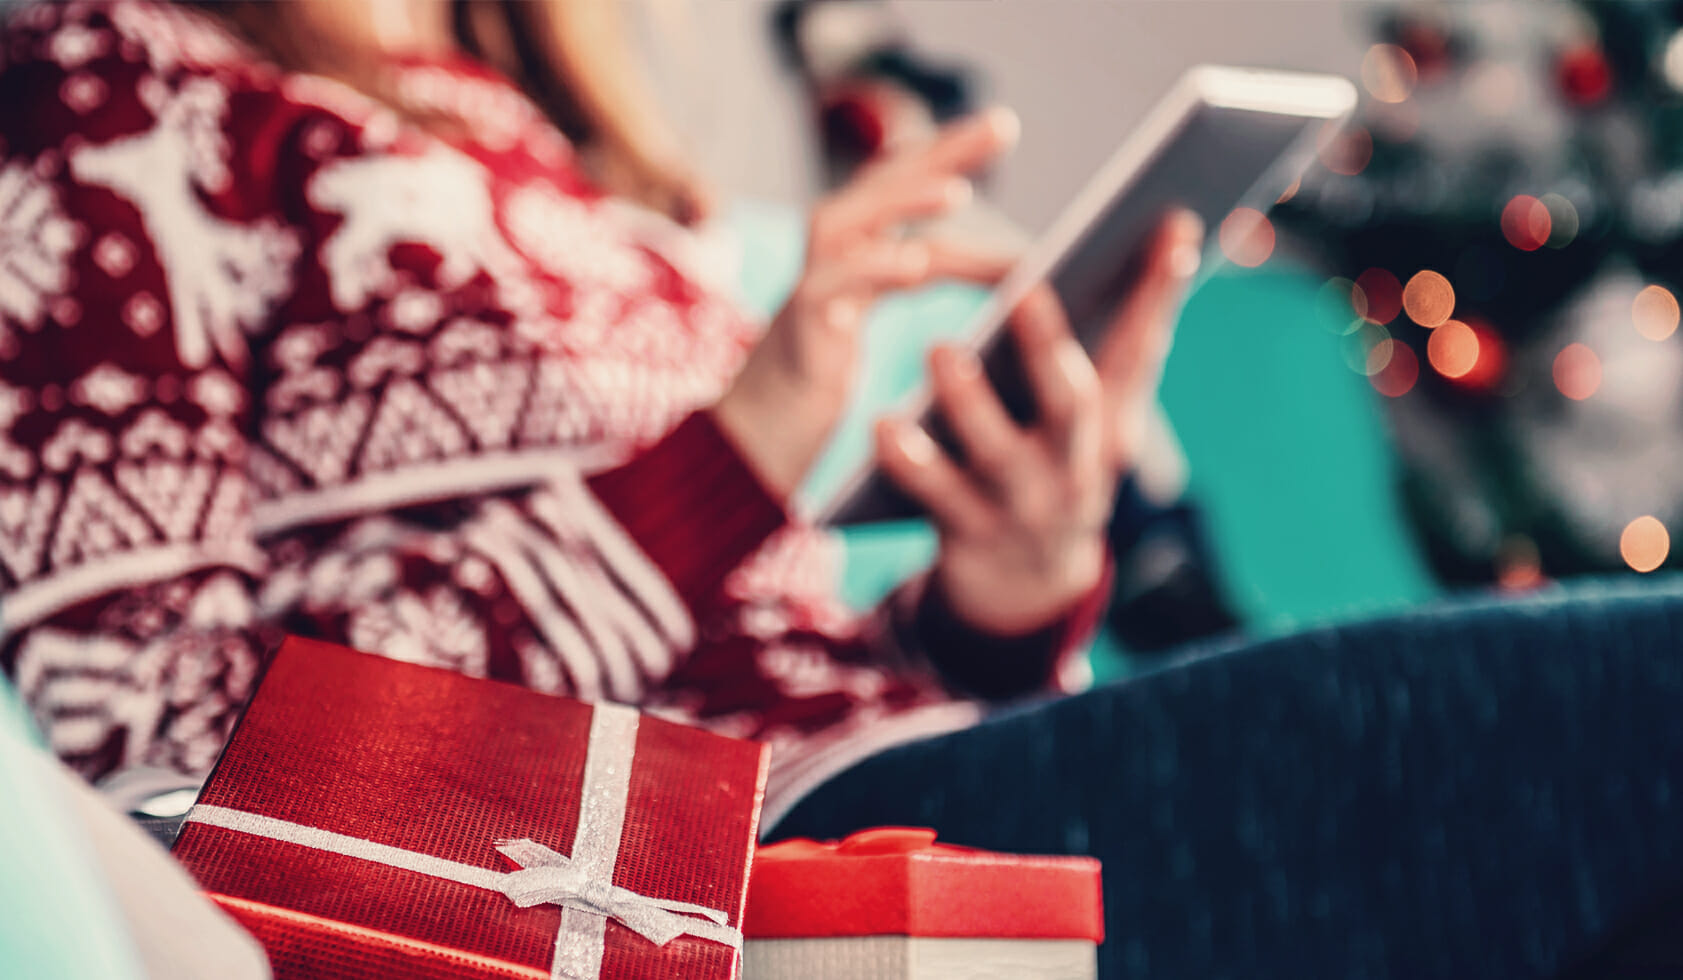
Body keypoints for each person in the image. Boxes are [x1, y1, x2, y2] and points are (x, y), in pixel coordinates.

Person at [2, 3, 1682, 978]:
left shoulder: (540, 136)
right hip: (736, 887)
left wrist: (995, 604)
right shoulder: (104, 87)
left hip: (898, 812)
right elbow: (140, 746)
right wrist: (727, 462)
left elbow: (745, 660)